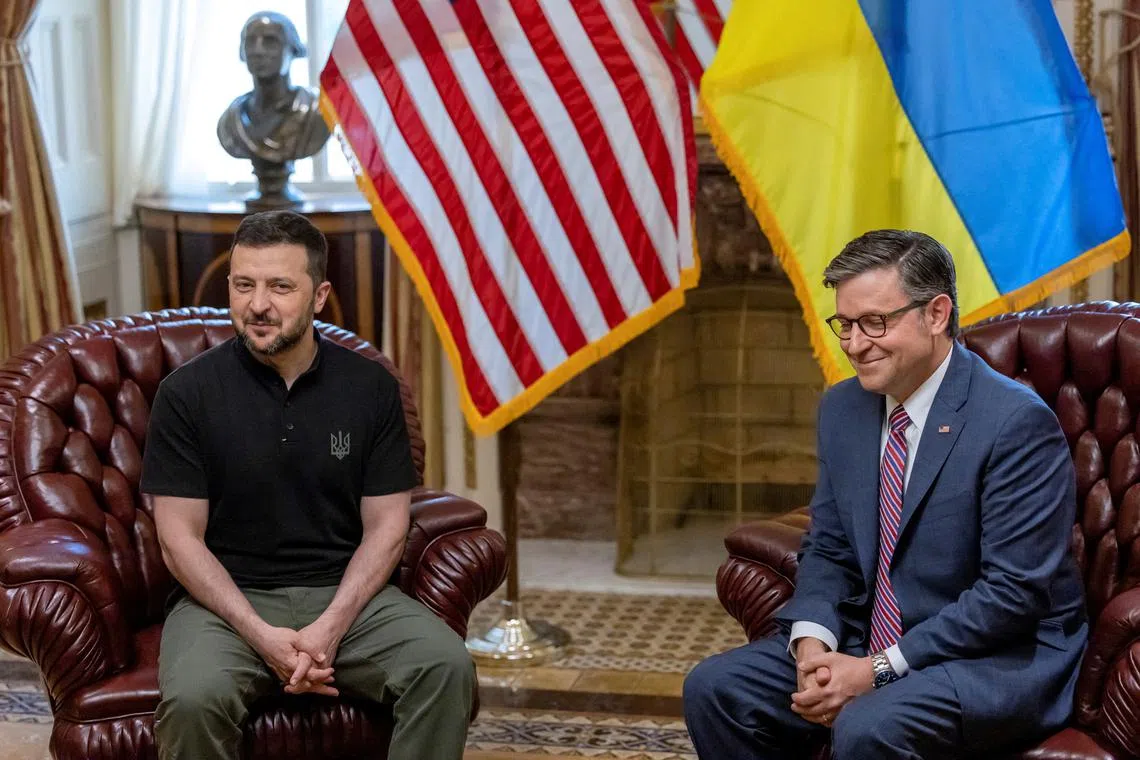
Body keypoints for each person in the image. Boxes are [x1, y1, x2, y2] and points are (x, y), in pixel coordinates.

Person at [683, 230, 1087, 758]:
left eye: (875, 322)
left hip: (993, 656)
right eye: (845, 325)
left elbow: (1012, 594)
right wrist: (812, 646)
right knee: (716, 688)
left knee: (868, 725)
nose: (854, 344)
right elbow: (829, 546)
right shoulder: (843, 409)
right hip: (867, 638)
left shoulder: (1015, 423)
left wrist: (875, 669)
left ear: (936, 314)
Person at [141, 210, 473, 760]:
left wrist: (330, 628)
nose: (258, 304)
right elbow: (179, 540)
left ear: (319, 297)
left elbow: (387, 527)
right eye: (243, 285)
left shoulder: (370, 387)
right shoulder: (185, 394)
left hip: (347, 596)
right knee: (195, 699)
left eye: (280, 287)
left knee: (445, 666)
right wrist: (259, 633)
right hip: (225, 602)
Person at [216, 12, 329, 203]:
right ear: (242, 52)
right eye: (250, 42)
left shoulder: (316, 112)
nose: (258, 51)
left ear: (293, 50)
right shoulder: (231, 121)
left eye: (270, 42)